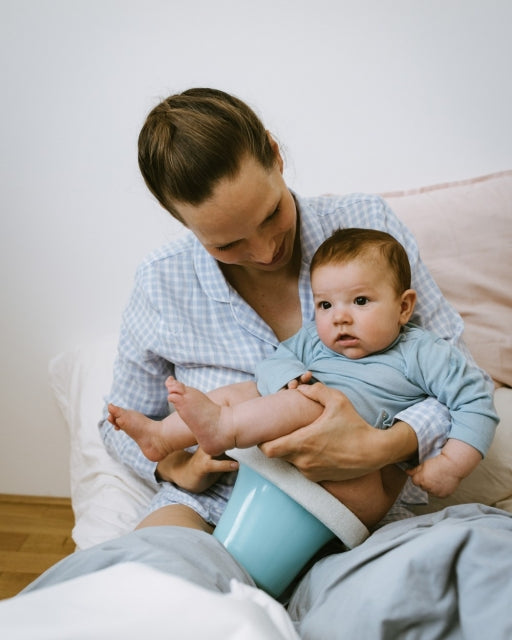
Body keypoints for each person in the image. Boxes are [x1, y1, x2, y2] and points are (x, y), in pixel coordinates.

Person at [96, 87, 489, 537]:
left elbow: (460, 376)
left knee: (446, 569)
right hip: (213, 505)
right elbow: (121, 424)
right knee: (155, 578)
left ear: (276, 157)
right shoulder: (161, 281)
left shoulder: (365, 229)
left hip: (350, 513)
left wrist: (382, 445)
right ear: (184, 223)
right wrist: (176, 468)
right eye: (226, 244)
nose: (265, 252)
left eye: (270, 215)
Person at [108, 228, 497, 528]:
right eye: (325, 304)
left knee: (307, 402)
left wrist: (451, 464)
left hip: (360, 485)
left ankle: (224, 428)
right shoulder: (315, 339)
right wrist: (289, 378)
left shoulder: (422, 351)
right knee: (244, 390)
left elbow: (476, 401)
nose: (339, 317)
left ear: (404, 306)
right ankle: (164, 437)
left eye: (360, 301)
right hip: (281, 479)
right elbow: (274, 360)